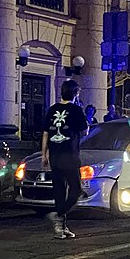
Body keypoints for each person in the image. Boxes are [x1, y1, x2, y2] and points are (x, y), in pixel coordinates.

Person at [42, 79, 88, 239]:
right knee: (76, 190)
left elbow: (46, 133)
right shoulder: (76, 110)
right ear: (75, 93)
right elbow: (85, 130)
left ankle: (61, 228)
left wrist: (44, 154)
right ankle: (58, 214)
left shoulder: (52, 109)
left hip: (54, 154)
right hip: (70, 155)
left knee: (59, 191)